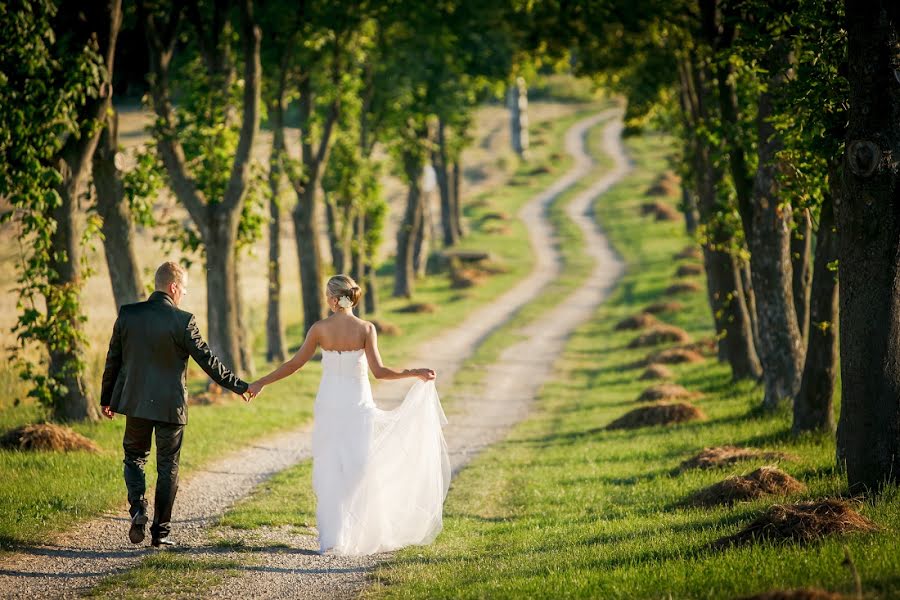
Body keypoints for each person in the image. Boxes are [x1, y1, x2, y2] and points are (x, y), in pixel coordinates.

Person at [247, 274, 450, 555]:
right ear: (350, 297)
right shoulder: (366, 329)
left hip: (329, 404)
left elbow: (294, 364)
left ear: (332, 299)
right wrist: (413, 373)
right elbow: (379, 372)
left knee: (330, 468)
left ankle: (332, 539)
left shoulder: (319, 329)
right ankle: (359, 533)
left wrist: (260, 382)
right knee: (358, 469)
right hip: (357, 405)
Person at [100, 261, 252, 547]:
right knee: (168, 466)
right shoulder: (184, 321)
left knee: (134, 457)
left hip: (135, 404)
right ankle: (161, 533)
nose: (184, 294)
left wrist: (106, 398)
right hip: (171, 407)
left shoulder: (128, 315)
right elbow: (208, 362)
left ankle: (137, 508)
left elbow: (113, 360)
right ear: (173, 287)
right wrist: (239, 386)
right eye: (183, 288)